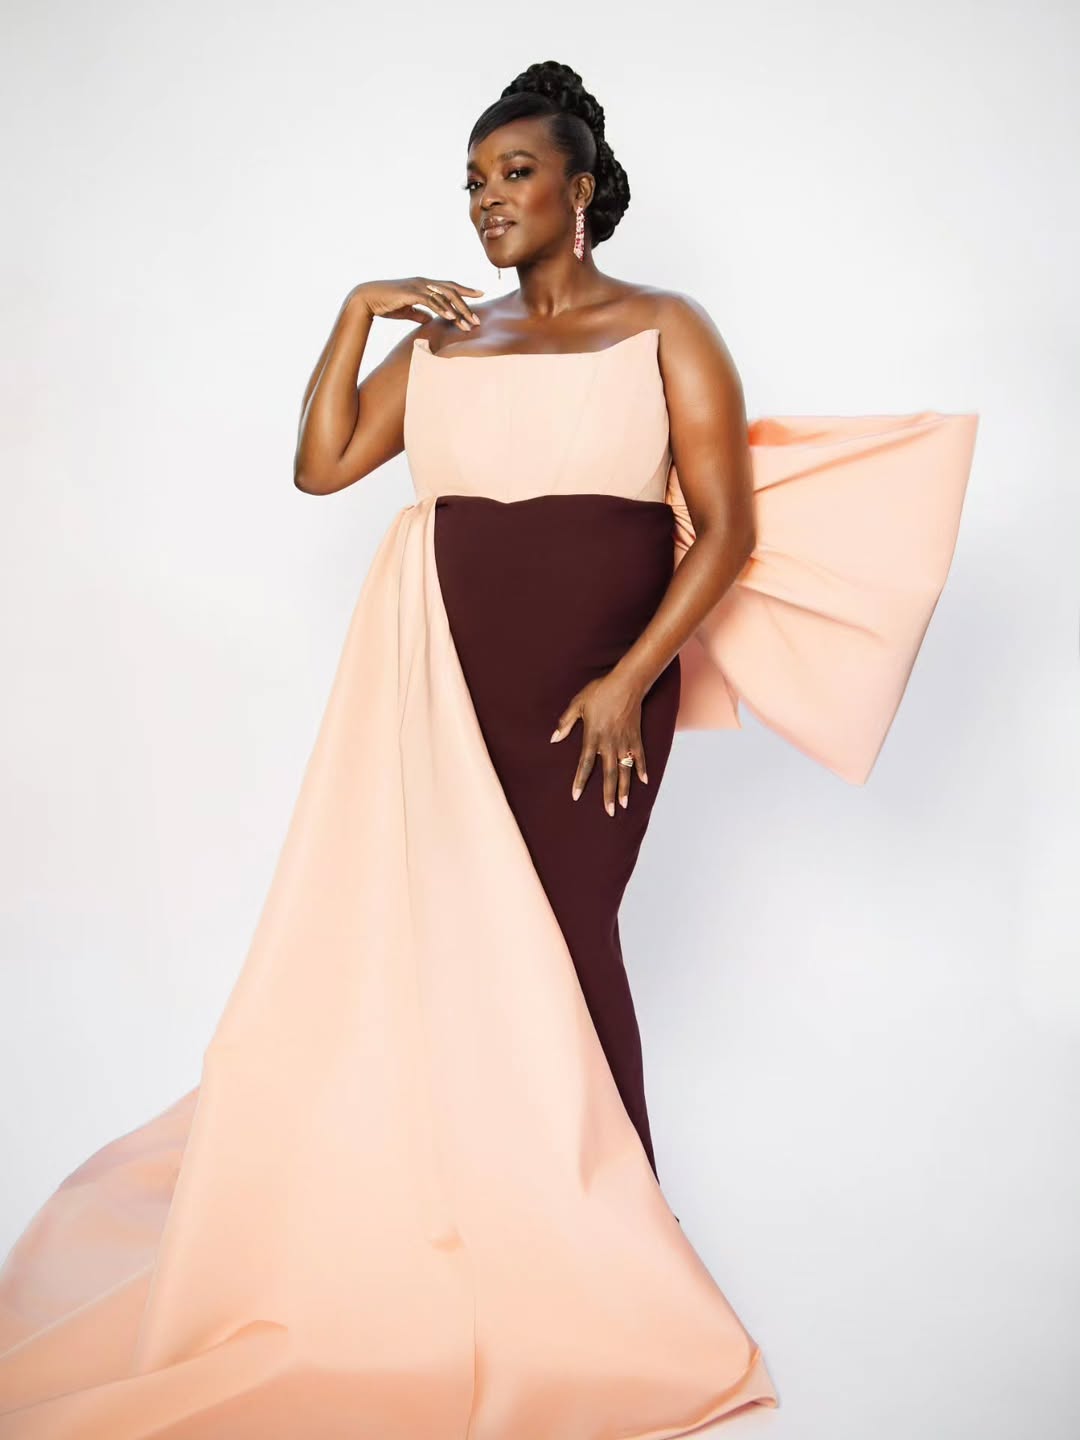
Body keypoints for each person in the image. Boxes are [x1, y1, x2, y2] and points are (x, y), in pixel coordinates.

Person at [0, 59, 977, 1439]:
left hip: (600, 686)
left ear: (583, 191)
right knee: (456, 949)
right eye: (471, 182)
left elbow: (727, 530)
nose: (487, 202)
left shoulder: (667, 328)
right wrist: (356, 312)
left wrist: (630, 677)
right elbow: (323, 465)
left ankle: (619, 1237)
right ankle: (501, 1219)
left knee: (570, 935)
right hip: (444, 680)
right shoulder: (447, 344)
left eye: (515, 174)